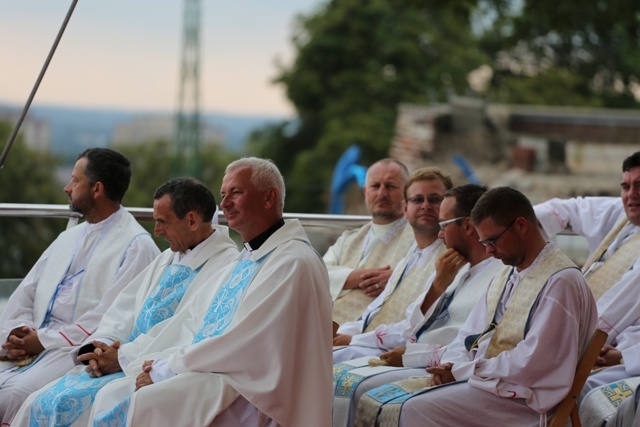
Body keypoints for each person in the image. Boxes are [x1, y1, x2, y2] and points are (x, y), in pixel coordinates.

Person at [87, 157, 332, 427]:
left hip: (254, 391)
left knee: (145, 402)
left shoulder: (292, 262)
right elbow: (193, 320)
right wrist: (150, 360)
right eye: (223, 194)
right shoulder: (248, 258)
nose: (224, 204)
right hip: (218, 372)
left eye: (236, 193)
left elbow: (245, 342)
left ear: (269, 197)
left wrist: (166, 369)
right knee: (112, 393)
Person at [356, 186, 597, 427]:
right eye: (484, 242)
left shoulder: (560, 281)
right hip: (488, 383)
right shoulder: (508, 274)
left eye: (492, 240)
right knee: (380, 401)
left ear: (521, 225)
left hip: (526, 402)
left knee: (410, 410)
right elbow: (469, 336)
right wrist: (450, 366)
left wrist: (462, 371)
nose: (489, 251)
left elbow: (533, 363)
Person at [12, 177, 240, 427]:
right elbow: (124, 309)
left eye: (163, 222)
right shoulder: (168, 257)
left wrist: (122, 357)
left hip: (147, 366)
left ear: (192, 220)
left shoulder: (225, 266)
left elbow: (187, 331)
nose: (157, 231)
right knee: (39, 401)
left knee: (97, 403)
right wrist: (104, 346)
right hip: (122, 359)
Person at [0, 148, 159, 423]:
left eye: (75, 181)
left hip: (69, 351)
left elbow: (109, 317)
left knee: (11, 395)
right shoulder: (69, 237)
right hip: (34, 341)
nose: (66, 187)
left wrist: (42, 340)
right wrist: (16, 334)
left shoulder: (136, 246)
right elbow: (27, 292)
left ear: (97, 189)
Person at [332, 184, 503, 427]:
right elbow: (412, 324)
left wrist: (411, 355)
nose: (440, 234)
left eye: (443, 225)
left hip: (440, 366)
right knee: (335, 376)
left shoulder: (498, 275)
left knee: (361, 389)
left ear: (467, 225)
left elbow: (473, 343)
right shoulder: (455, 268)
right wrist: (437, 286)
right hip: (415, 354)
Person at [534, 151, 640, 403]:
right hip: (595, 339)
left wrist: (619, 354)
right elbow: (568, 208)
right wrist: (518, 229)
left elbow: (617, 306)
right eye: (626, 186)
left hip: (618, 348)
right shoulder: (620, 216)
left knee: (577, 389)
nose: (631, 194)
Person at [333, 167, 452, 360]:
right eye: (417, 200)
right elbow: (373, 311)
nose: (426, 206)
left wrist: (353, 340)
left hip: (394, 350)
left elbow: (417, 324)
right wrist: (343, 333)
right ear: (405, 209)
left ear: (448, 207)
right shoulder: (410, 255)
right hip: (367, 343)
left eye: (435, 199)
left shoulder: (448, 259)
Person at [326, 158, 414, 325]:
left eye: (391, 186)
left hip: (370, 335)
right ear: (365, 191)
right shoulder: (348, 239)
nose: (382, 193)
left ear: (407, 193)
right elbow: (317, 275)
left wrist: (397, 279)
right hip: (324, 325)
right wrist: (357, 277)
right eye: (375, 186)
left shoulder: (418, 237)